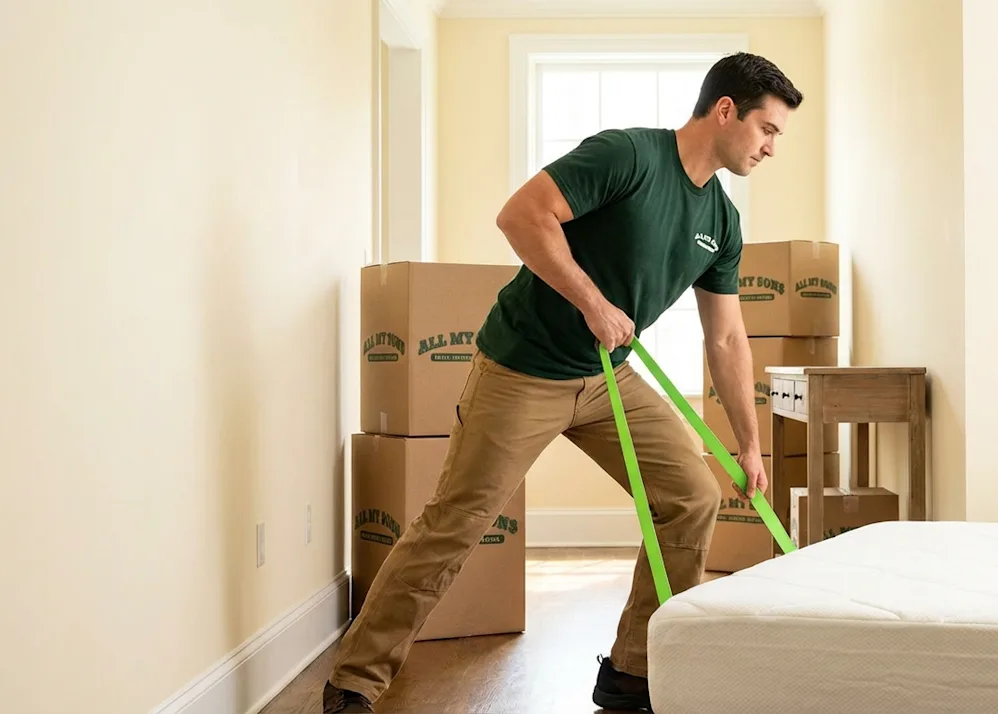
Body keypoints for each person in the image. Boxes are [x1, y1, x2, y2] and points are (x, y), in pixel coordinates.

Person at [322, 51, 804, 714]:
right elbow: (522, 215)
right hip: (523, 367)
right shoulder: (628, 156)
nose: (772, 147)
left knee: (692, 493)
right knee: (456, 522)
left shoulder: (721, 221)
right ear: (726, 110)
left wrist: (749, 445)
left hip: (608, 379)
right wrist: (592, 301)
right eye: (768, 129)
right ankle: (355, 679)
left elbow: (726, 338)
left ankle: (635, 671)